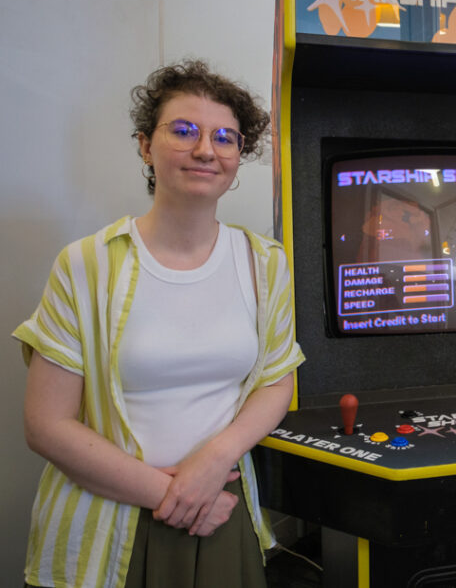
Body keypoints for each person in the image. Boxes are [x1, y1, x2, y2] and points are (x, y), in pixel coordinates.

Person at [14, 60, 305, 588]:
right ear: (146, 146)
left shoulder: (266, 264)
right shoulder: (86, 265)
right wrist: (172, 495)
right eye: (184, 130)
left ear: (240, 157)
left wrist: (213, 460)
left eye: (225, 138)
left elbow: (276, 381)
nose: (205, 150)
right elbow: (45, 424)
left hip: (221, 507)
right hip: (107, 516)